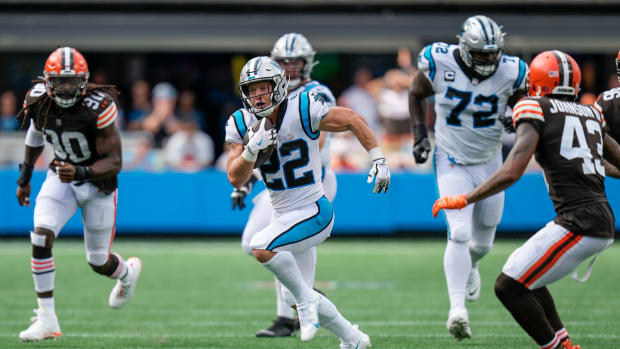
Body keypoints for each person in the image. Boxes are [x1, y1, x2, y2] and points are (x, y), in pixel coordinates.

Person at [433, 50, 620, 349]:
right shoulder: (591, 113)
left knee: (508, 287)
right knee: (524, 273)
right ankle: (564, 344)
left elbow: (512, 171)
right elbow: (613, 161)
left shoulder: (536, 108)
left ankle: (557, 347)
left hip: (579, 222)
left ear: (538, 82)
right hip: (595, 217)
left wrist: (465, 199)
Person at [225, 56, 390, 348]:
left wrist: (377, 157)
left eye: (262, 87)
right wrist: (251, 151)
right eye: (251, 90)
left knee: (261, 246)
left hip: (313, 209)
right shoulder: (241, 122)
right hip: (283, 214)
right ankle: (353, 338)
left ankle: (305, 302)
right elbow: (235, 178)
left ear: (277, 86)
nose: (257, 95)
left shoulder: (303, 107)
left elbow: (352, 119)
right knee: (289, 294)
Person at [408, 15, 528, 340]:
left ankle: (472, 266)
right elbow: (416, 93)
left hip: (491, 162)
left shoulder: (513, 71)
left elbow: (523, 109)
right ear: (464, 47)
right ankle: (457, 309)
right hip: (452, 158)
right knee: (459, 233)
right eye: (482, 54)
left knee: (484, 243)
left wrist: (514, 119)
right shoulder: (439, 61)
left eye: (494, 54)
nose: (489, 60)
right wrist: (420, 134)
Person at [15, 47, 142, 341]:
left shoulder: (99, 105)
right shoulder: (37, 100)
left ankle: (127, 273)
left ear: (84, 82)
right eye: (59, 82)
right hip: (61, 177)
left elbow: (116, 161)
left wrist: (82, 172)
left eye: (71, 82)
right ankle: (46, 318)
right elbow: (35, 133)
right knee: (41, 235)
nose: (65, 88)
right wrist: (24, 178)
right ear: (47, 82)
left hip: (98, 184)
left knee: (99, 262)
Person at [231, 32, 338, 337]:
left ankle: (290, 311)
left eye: (295, 61)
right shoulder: (261, 94)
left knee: (284, 241)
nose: (290, 67)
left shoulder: (315, 94)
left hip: (310, 179)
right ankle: (303, 294)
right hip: (277, 183)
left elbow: (315, 140)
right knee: (253, 241)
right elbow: (262, 147)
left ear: (308, 63)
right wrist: (246, 182)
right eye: (283, 62)